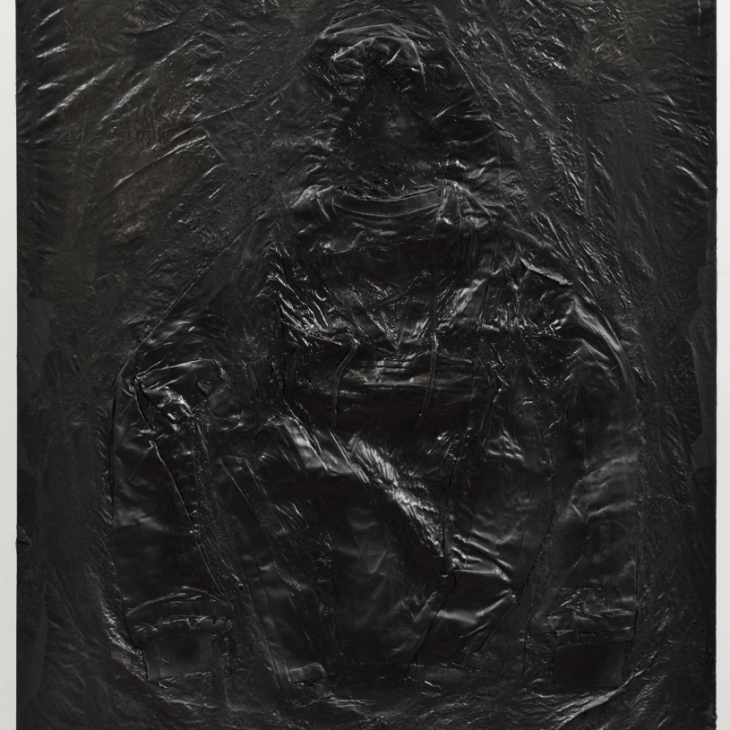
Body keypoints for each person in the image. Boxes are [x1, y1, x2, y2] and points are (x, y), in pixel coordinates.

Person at [111, 6, 637, 690]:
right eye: (361, 133)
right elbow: (154, 390)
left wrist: (596, 608)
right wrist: (175, 609)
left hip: (463, 627)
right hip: (309, 615)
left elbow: (599, 393)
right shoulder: (277, 264)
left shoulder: (501, 266)